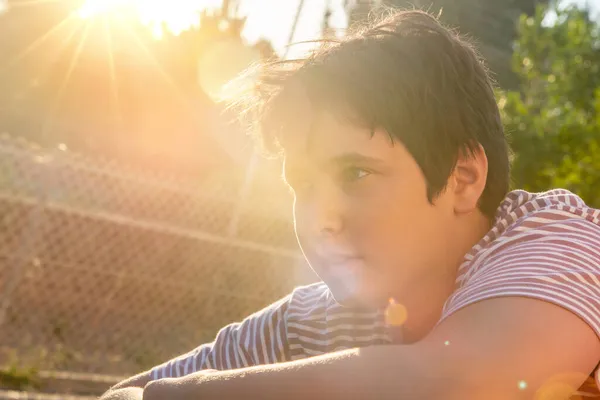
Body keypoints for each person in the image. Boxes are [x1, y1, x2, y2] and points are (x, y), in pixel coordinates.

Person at [101, 9, 600, 400]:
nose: (320, 219)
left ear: (463, 178)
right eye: (300, 185)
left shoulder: (560, 240)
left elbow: (461, 386)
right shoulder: (314, 320)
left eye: (355, 174)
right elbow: (123, 395)